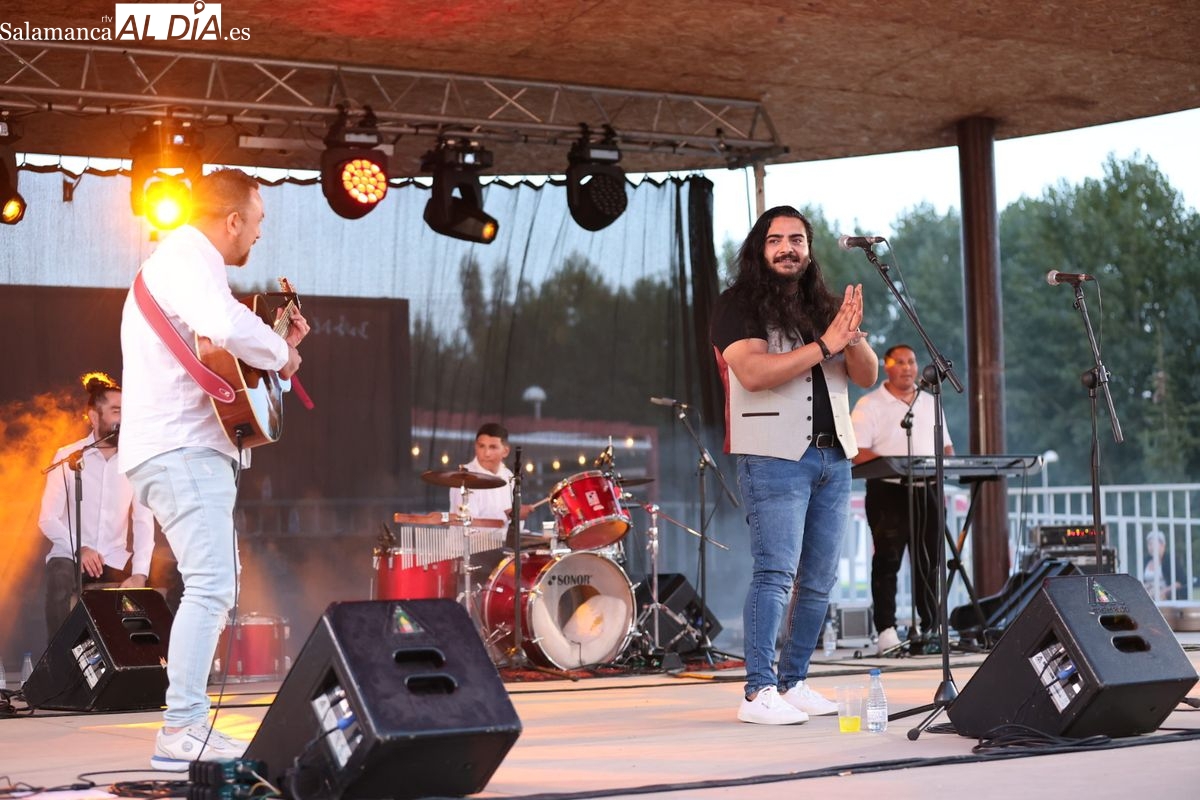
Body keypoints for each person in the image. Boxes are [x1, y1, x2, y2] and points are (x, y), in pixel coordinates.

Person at [119, 168, 309, 770]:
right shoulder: (186, 258)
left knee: (213, 583)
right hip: (181, 449)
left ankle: (188, 725)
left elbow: (223, 358)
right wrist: (281, 351)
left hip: (184, 449)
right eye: (257, 221)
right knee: (210, 586)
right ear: (232, 220)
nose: (258, 234)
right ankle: (181, 729)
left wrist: (275, 354)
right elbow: (226, 326)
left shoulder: (188, 267)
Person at [711, 206, 878, 725]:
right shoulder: (737, 303)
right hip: (773, 455)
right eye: (776, 239)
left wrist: (852, 337)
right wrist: (825, 344)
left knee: (820, 579)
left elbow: (866, 376)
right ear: (759, 248)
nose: (788, 248)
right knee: (776, 573)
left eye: (797, 239)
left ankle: (794, 681)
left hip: (834, 455)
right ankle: (758, 690)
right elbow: (754, 372)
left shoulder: (823, 305)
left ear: (809, 249)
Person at [850, 344, 954, 655]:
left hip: (928, 489)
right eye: (900, 362)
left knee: (929, 562)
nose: (907, 368)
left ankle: (931, 627)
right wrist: (896, 464)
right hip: (888, 490)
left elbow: (947, 448)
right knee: (887, 560)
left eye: (912, 361)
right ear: (887, 366)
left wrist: (946, 464)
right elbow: (857, 451)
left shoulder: (930, 402)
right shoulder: (869, 404)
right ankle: (886, 630)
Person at [39, 372, 156, 639]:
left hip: (115, 557)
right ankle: (59, 660)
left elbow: (143, 521)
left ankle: (169, 659)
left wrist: (140, 572)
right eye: (116, 411)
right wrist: (80, 547)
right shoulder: (68, 457)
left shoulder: (135, 460)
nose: (124, 418)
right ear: (94, 416)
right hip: (71, 556)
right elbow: (47, 518)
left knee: (178, 573)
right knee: (58, 580)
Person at [1143, 529, 1185, 601]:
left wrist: (1164, 591)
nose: (1151, 547)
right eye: (1149, 544)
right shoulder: (1145, 561)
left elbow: (1181, 582)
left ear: (1162, 545)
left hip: (1165, 598)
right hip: (1146, 597)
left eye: (1153, 544)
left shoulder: (1170, 561)